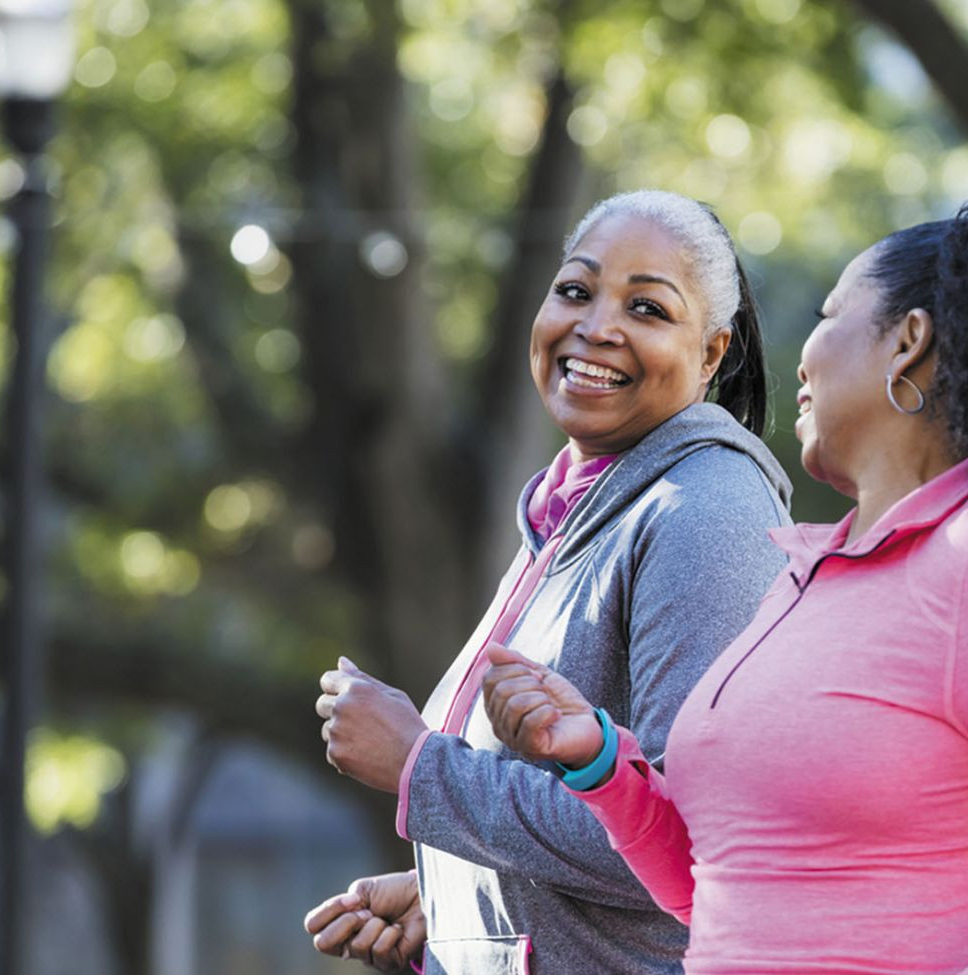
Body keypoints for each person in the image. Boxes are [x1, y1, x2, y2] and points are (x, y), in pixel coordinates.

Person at [483, 163, 968, 974]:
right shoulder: (808, 575)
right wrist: (597, 759)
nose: (800, 359)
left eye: (831, 315)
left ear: (907, 342)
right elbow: (726, 886)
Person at [303, 190, 794, 974]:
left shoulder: (704, 509)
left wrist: (421, 766)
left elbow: (685, 837)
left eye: (647, 308)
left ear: (710, 353)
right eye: (576, 289)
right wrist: (455, 894)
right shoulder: (574, 505)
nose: (597, 326)